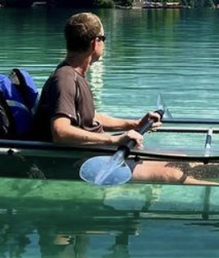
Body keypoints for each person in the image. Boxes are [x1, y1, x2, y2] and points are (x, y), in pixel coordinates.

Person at [30, 12, 207, 184]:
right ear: (95, 43)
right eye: (104, 39)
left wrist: (134, 124)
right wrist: (114, 139)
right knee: (170, 174)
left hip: (98, 153)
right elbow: (60, 132)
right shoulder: (65, 79)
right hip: (83, 163)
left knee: (180, 159)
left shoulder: (75, 75)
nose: (104, 44)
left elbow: (91, 117)